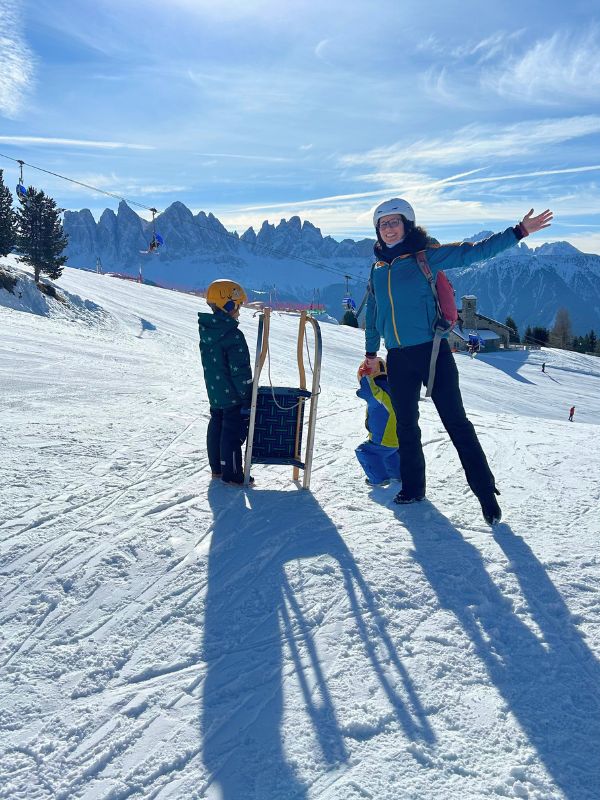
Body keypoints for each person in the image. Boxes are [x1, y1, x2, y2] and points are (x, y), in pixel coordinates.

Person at [361, 198, 553, 525]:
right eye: (383, 224)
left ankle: (485, 493)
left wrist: (519, 231)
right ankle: (413, 488)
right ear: (377, 231)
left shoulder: (426, 256)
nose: (389, 229)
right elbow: (375, 311)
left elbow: (472, 251)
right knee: (406, 426)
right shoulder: (378, 268)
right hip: (397, 356)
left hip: (432, 351)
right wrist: (370, 353)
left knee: (456, 422)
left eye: (394, 222)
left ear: (407, 225)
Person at [198, 279, 253, 484]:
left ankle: (217, 468)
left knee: (216, 424)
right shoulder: (233, 336)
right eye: (237, 306)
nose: (238, 311)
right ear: (227, 304)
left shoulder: (208, 332)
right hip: (232, 394)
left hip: (215, 390)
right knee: (231, 431)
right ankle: (232, 473)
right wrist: (247, 392)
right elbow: (240, 369)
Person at [354, 358, 401, 485]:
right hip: (397, 438)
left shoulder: (378, 392)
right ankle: (396, 475)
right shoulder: (392, 389)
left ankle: (378, 479)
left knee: (365, 452)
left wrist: (365, 377)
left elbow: (368, 391)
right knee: (389, 454)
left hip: (383, 438)